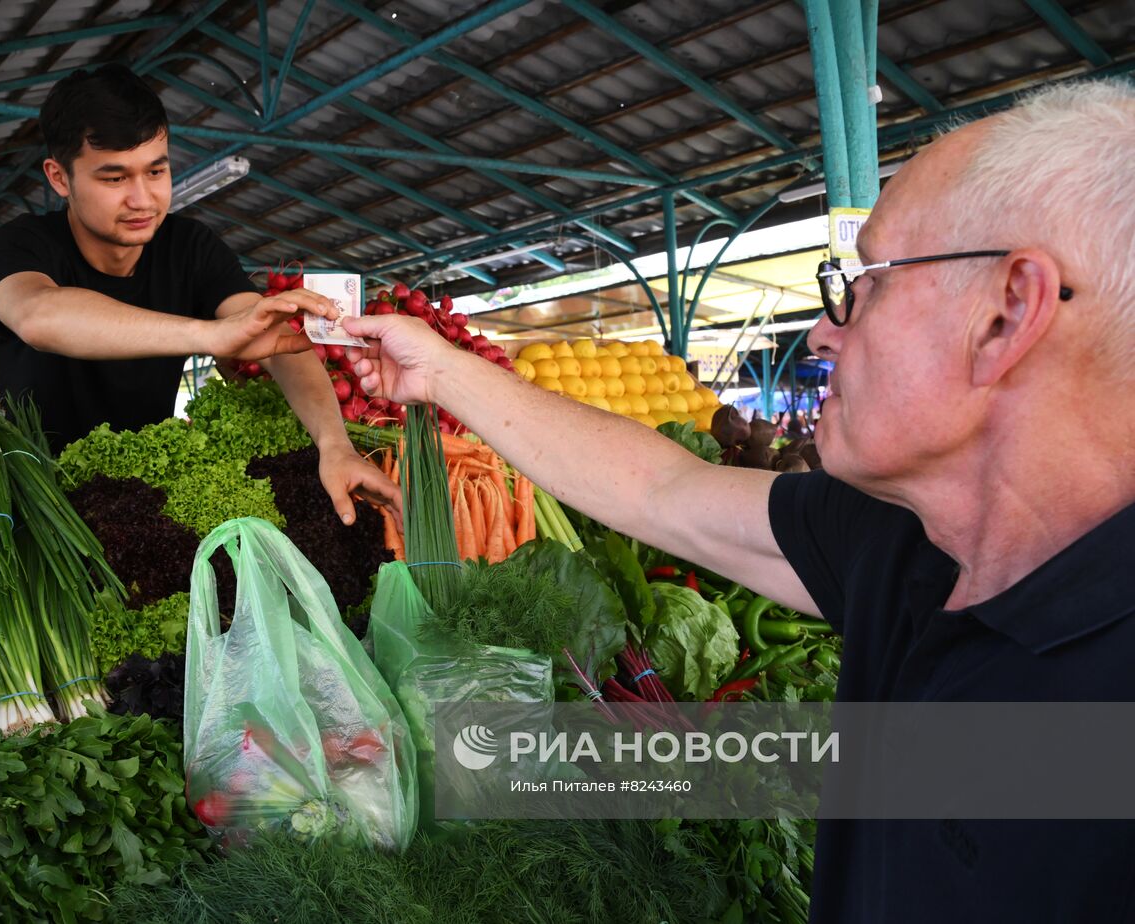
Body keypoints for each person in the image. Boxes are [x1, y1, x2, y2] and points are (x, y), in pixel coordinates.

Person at [340, 78, 1135, 923]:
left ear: (1007, 316)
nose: (824, 332)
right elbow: (662, 489)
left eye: (864, 283)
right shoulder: (907, 538)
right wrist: (443, 370)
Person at [0, 64, 397, 525]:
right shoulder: (19, 245)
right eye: (114, 178)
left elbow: (280, 343)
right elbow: (40, 316)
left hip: (147, 506)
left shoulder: (190, 246)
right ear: (59, 178)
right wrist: (212, 335)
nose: (143, 199)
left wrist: (334, 445)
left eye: (156, 170)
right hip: (35, 507)